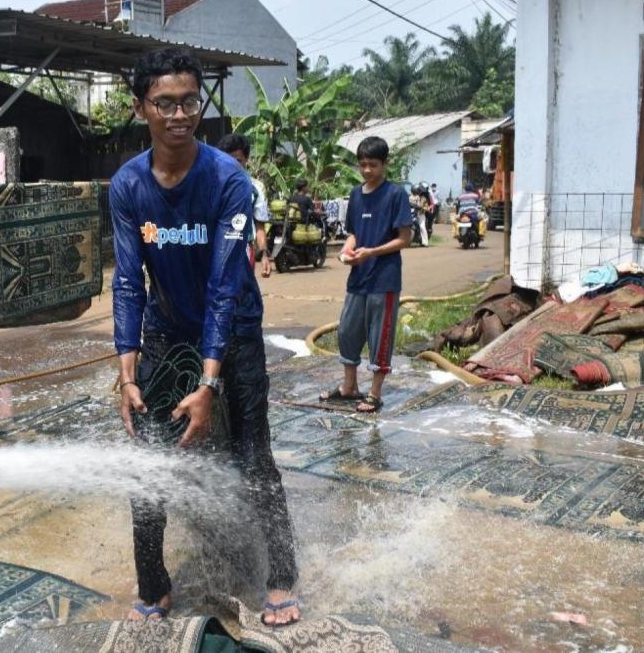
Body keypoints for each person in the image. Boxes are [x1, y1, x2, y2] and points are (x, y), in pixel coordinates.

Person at [110, 48, 300, 626]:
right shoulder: (127, 185)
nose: (178, 115)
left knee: (252, 458)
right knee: (150, 469)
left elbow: (224, 286)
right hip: (167, 334)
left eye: (189, 101)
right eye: (164, 103)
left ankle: (282, 575)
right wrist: (127, 375)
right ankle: (154, 585)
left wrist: (210, 381)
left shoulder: (228, 180)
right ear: (142, 107)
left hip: (235, 330)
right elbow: (126, 282)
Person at [319, 136, 412, 413]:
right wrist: (347, 251)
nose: (367, 170)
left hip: (384, 278)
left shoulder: (396, 195)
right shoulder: (356, 195)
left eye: (372, 165)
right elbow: (354, 233)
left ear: (384, 164)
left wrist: (371, 252)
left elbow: (404, 238)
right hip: (358, 277)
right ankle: (349, 386)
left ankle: (374, 392)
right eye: (362, 165)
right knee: (347, 331)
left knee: (379, 336)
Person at [218, 133, 272, 278]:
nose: (232, 165)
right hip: (215, 250)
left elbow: (259, 226)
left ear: (246, 160)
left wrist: (264, 255)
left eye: (237, 160)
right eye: (227, 160)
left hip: (244, 251)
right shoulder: (211, 185)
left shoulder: (255, 188)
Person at [409, 182, 431, 247]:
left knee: (422, 227)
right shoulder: (410, 197)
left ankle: (425, 242)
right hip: (411, 213)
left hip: (420, 214)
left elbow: (426, 207)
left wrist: (423, 208)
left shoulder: (423, 198)